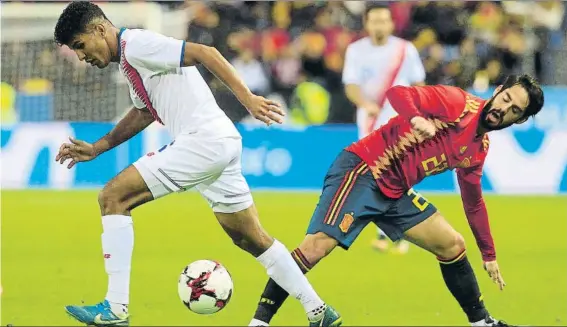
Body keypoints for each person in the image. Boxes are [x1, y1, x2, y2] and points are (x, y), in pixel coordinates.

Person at [53, 2, 341, 326]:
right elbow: (145, 111)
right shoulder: (132, 60)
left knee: (112, 197)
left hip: (203, 141)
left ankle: (116, 308)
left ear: (99, 30)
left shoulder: (137, 44)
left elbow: (206, 52)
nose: (81, 56)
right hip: (220, 142)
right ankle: (317, 310)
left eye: (80, 46)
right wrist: (99, 147)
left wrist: (249, 99)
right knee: (251, 238)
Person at [249, 75, 544, 327]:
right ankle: (259, 321)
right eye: (505, 98)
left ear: (520, 119)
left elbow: (473, 200)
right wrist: (416, 116)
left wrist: (488, 253)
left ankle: (481, 322)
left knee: (452, 245)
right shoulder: (456, 103)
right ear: (496, 92)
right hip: (364, 170)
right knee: (315, 248)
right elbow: (398, 94)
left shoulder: (479, 148)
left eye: (514, 110)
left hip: (395, 191)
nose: (504, 109)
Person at [342, 4, 426, 253]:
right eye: (374, 21)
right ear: (367, 24)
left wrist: (419, 112)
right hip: (370, 119)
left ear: (391, 24)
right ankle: (387, 231)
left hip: (400, 119)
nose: (379, 26)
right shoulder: (356, 50)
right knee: (375, 175)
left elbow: (419, 84)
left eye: (383, 21)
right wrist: (365, 104)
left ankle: (399, 231)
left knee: (401, 171)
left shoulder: (404, 49)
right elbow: (351, 84)